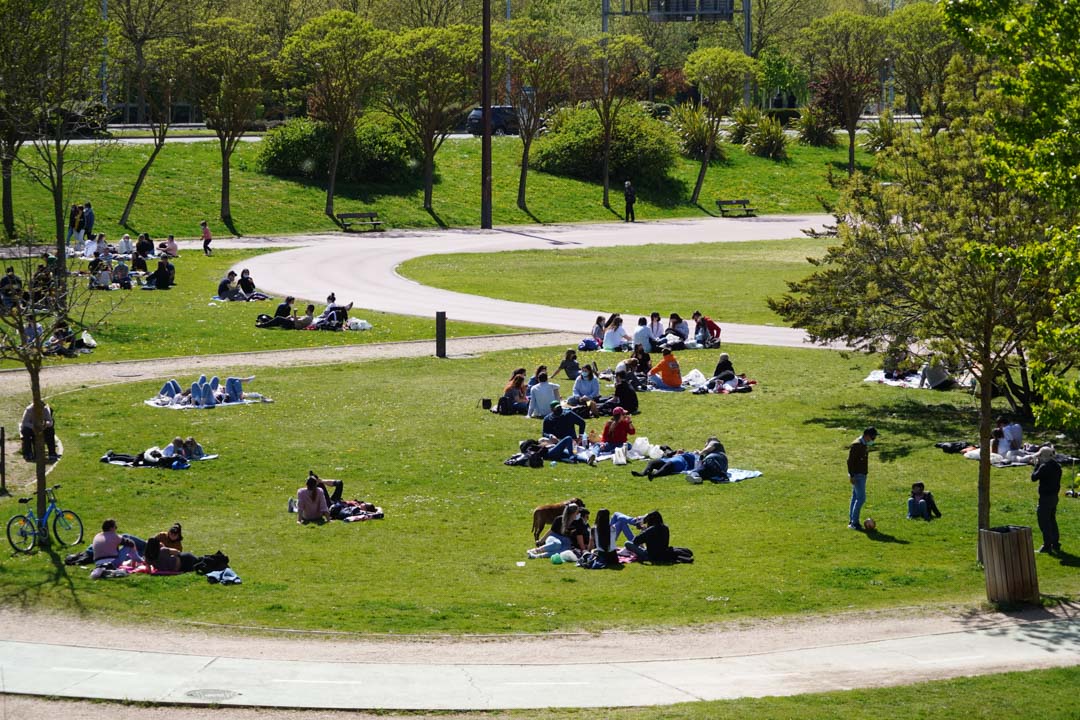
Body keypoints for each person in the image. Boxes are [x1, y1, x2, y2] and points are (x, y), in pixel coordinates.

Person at [1032, 446, 1061, 553]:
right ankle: (1055, 542)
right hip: (1054, 496)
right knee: (1052, 519)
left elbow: (1033, 478)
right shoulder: (1057, 466)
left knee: (1043, 521)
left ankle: (1047, 545)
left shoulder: (1044, 467)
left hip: (1045, 498)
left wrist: (1036, 465)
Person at [847, 427, 878, 530]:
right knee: (861, 498)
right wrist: (852, 475)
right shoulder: (857, 445)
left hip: (862, 474)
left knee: (855, 497)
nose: (873, 440)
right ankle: (854, 523)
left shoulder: (863, 444)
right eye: (872, 437)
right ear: (867, 435)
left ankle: (852, 520)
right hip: (858, 475)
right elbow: (850, 461)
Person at [631, 449, 698, 480]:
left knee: (670, 464)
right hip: (671, 459)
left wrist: (697, 453)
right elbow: (666, 448)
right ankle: (643, 473)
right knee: (652, 462)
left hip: (682, 462)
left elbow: (698, 462)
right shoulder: (684, 453)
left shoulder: (698, 456)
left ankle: (654, 475)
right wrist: (677, 452)